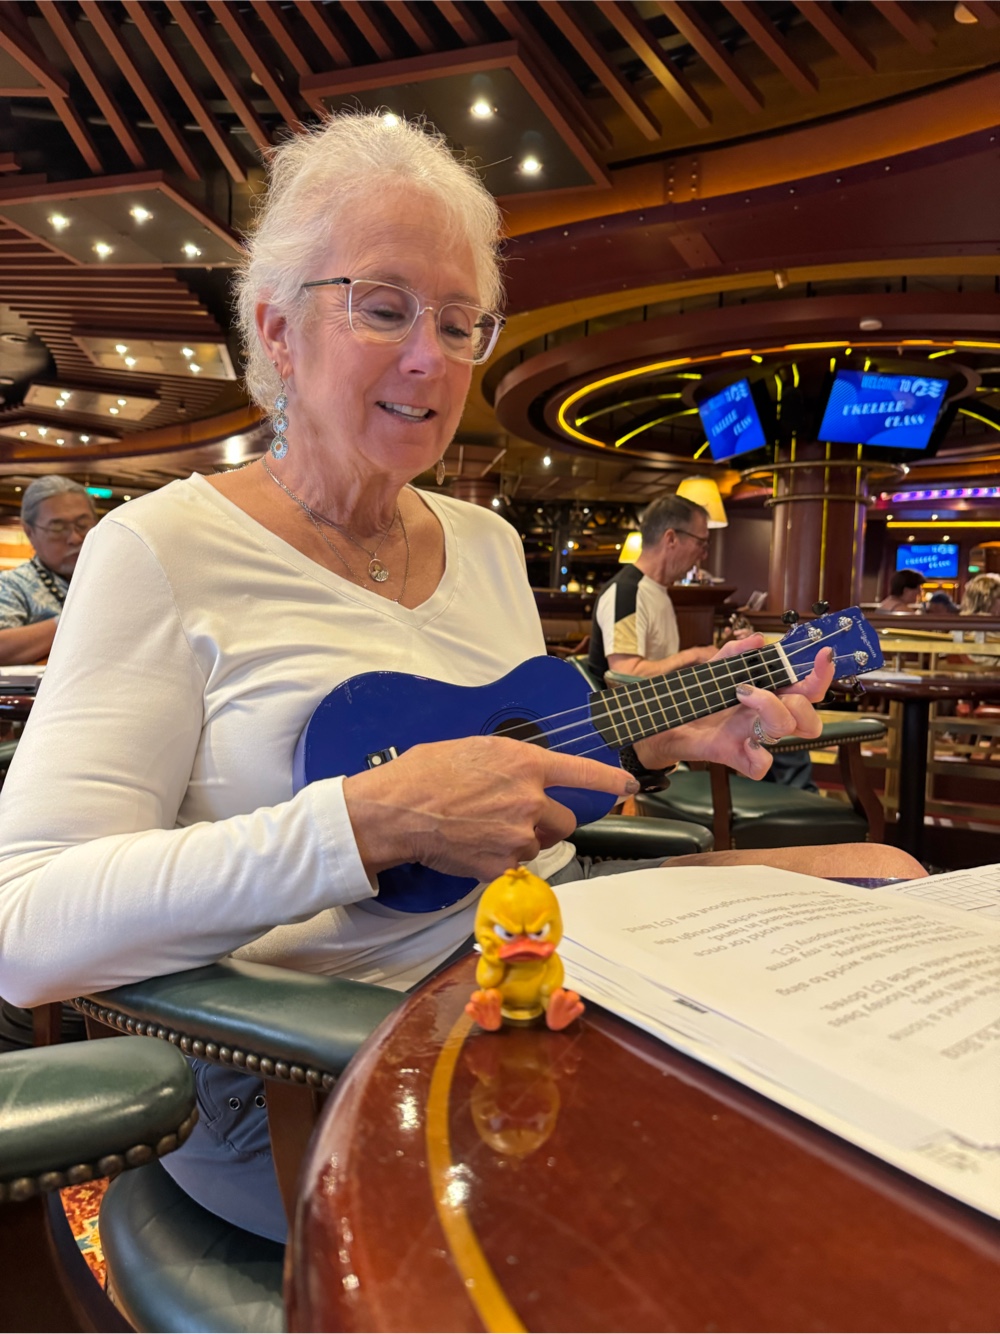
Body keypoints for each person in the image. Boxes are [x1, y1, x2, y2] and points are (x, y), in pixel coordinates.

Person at [0, 112, 921, 1244]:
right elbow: (24, 922)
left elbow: (512, 765)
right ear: (277, 329)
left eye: (457, 320)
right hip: (309, 1053)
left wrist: (655, 735)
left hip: (546, 946)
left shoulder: (484, 541)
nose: (430, 359)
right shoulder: (158, 547)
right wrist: (369, 821)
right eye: (384, 308)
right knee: (739, 1199)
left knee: (881, 873)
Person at [588, 495, 719, 681]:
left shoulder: (657, 590)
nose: (703, 555)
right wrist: (694, 655)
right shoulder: (626, 592)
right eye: (701, 543)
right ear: (671, 538)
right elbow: (624, 675)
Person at [0, 477, 97, 664]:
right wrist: (73, 621)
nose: (75, 538)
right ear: (30, 532)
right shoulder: (12, 585)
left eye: (83, 525)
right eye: (58, 528)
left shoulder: (113, 578)